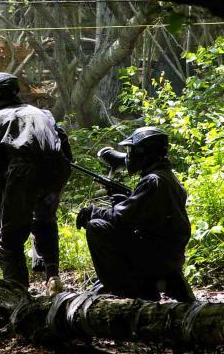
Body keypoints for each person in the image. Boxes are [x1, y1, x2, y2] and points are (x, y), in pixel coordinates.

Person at [0, 72, 71, 295]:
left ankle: (18, 294)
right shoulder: (42, 112)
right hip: (56, 168)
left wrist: (1, 199)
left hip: (23, 173)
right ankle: (53, 276)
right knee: (45, 220)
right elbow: (63, 145)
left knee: (8, 241)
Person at [76, 126, 193, 301]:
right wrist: (128, 200)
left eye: (131, 150)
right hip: (168, 255)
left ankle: (136, 290)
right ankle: (149, 284)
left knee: (96, 227)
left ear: (145, 153)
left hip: (157, 257)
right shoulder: (166, 177)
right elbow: (147, 216)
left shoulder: (153, 181)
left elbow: (120, 219)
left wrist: (93, 211)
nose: (128, 156)